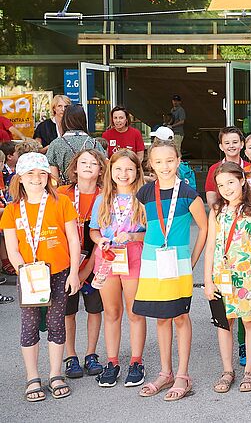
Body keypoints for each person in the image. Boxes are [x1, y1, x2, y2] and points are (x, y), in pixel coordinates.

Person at [1, 152, 81, 401]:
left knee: (57, 323)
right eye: (30, 174)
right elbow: (12, 248)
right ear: (20, 178)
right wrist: (24, 272)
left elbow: (73, 239)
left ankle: (56, 374)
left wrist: (75, 272)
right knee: (29, 325)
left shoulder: (62, 203)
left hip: (58, 273)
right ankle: (32, 376)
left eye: (42, 173)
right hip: (29, 276)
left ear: (48, 177)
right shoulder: (13, 210)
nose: (37, 178)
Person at [134, 140, 207, 401]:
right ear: (150, 164)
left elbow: (204, 229)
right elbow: (148, 227)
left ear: (178, 161)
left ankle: (183, 375)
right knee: (161, 318)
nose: (164, 166)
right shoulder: (144, 194)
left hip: (178, 265)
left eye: (169, 160)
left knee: (179, 317)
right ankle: (165, 372)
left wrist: (192, 261)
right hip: (152, 265)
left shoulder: (189, 194)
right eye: (158, 161)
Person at [203, 162, 251, 394]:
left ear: (242, 181)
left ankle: (249, 370)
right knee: (224, 322)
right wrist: (208, 281)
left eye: (231, 182)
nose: (226, 188)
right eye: (221, 185)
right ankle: (227, 370)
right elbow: (210, 248)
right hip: (221, 278)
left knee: (250, 322)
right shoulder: (216, 212)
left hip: (247, 277)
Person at [89, 149, 147, 388]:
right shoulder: (102, 198)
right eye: (119, 169)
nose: (124, 174)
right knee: (112, 312)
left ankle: (136, 361)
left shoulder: (143, 197)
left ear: (137, 171)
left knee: (135, 311)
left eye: (129, 169)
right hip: (107, 256)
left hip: (133, 255)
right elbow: (93, 230)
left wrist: (132, 236)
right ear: (110, 171)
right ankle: (112, 361)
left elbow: (151, 232)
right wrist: (98, 240)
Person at [59, 149, 106, 381]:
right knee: (68, 311)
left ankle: (91, 353)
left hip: (95, 261)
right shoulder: (61, 194)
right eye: (83, 162)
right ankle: (71, 356)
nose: (88, 166)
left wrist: (87, 269)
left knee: (94, 308)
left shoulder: (105, 196)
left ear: (101, 170)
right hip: (65, 262)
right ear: (75, 168)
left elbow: (104, 234)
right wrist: (70, 270)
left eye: (94, 163)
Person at [46, 104, 105, 185]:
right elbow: (104, 170)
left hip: (65, 191)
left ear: (65, 120)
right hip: (92, 190)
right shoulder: (95, 143)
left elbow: (54, 179)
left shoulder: (56, 144)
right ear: (83, 120)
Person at [205, 127, 249, 208]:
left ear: (242, 144)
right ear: (221, 146)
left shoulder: (249, 168)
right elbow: (211, 196)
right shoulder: (214, 169)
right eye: (227, 143)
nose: (231, 146)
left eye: (235, 142)